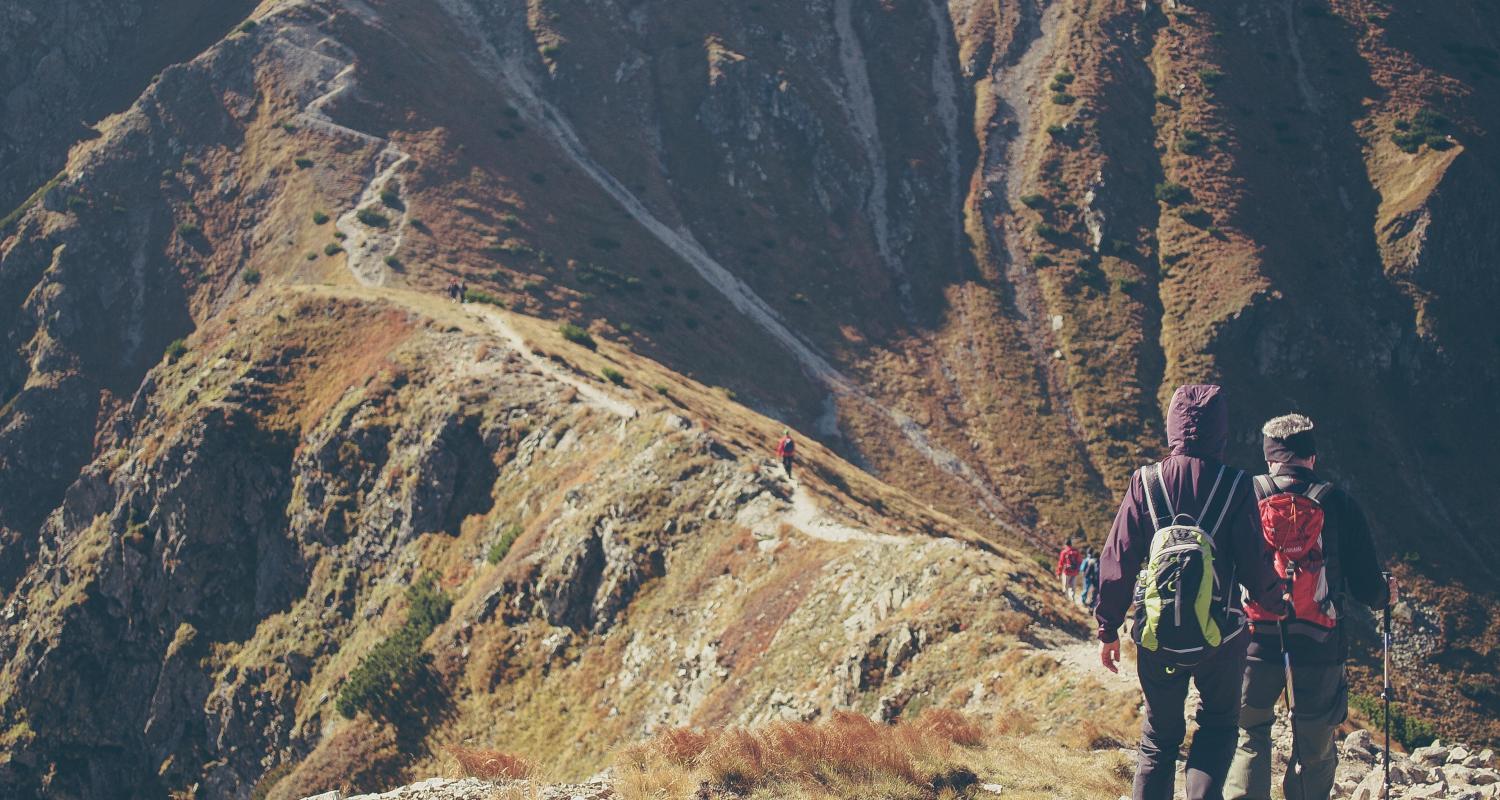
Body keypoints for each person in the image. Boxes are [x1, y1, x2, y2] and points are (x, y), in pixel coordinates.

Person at [1096, 384, 1286, 800]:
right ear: (1222, 431)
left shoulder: (1144, 482)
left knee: (1159, 738)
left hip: (1156, 636)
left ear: (1172, 427)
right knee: (1218, 726)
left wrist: (1108, 628)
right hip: (1221, 637)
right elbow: (1256, 563)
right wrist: (1277, 603)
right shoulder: (1237, 485)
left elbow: (1118, 559)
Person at [1224, 414, 1397, 800]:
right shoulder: (1339, 503)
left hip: (1253, 640)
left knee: (1250, 734)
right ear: (1312, 456)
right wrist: (1387, 593)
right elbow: (1369, 587)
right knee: (1315, 747)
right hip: (1320, 644)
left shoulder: (1245, 497)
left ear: (1269, 458)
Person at [1056, 538, 1083, 603]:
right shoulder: (1076, 552)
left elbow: (1061, 563)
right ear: (1071, 544)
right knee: (1072, 586)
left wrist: (1058, 573)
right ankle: (1072, 598)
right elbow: (1080, 561)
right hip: (1074, 572)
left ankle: (1066, 599)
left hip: (1066, 572)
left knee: (1065, 585)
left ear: (1066, 545)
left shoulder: (1064, 552)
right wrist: (1078, 570)